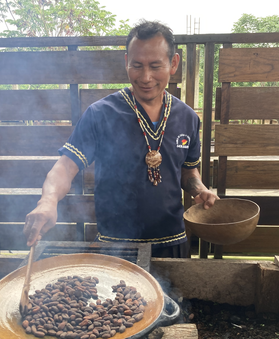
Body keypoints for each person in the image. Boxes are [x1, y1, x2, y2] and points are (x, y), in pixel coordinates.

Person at [23, 19, 218, 258]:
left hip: (172, 242)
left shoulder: (187, 117)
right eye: (137, 65)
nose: (146, 77)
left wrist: (200, 189)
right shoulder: (101, 114)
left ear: (173, 63)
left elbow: (189, 172)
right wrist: (48, 200)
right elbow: (65, 166)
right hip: (115, 246)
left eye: (155, 66)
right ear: (126, 62)